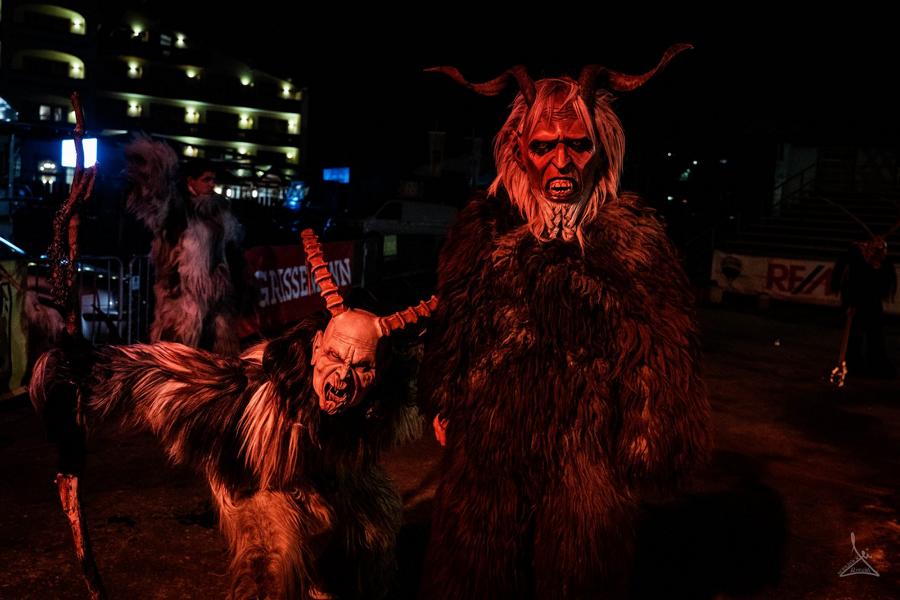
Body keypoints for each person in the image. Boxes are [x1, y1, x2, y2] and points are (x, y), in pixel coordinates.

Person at [420, 46, 710, 599]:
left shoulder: (633, 241)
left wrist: (647, 433)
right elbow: (455, 321)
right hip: (489, 441)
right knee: (478, 570)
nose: (561, 162)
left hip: (587, 445)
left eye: (577, 145)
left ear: (601, 151)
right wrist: (443, 395)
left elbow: (661, 345)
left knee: (577, 572)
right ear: (518, 150)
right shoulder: (482, 229)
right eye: (544, 146)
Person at [31, 230, 435, 599]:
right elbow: (168, 376)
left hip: (330, 474)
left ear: (381, 370)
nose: (342, 378)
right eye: (334, 357)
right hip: (260, 484)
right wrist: (86, 376)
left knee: (377, 515)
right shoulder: (260, 392)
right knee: (276, 566)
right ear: (316, 348)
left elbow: (432, 387)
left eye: (361, 367)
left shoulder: (386, 400)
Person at [124, 138, 244, 356]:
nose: (212, 184)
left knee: (219, 351)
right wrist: (154, 165)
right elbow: (153, 201)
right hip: (182, 293)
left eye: (213, 180)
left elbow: (230, 246)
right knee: (180, 350)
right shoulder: (178, 209)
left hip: (217, 293)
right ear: (191, 181)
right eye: (206, 179)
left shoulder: (219, 209)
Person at [830, 235, 897, 378]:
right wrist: (849, 303)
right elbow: (849, 283)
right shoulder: (854, 259)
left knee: (875, 336)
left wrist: (878, 262)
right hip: (856, 304)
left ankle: (876, 364)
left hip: (872, 304)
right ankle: (854, 365)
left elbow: (882, 284)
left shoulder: (881, 261)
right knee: (855, 336)